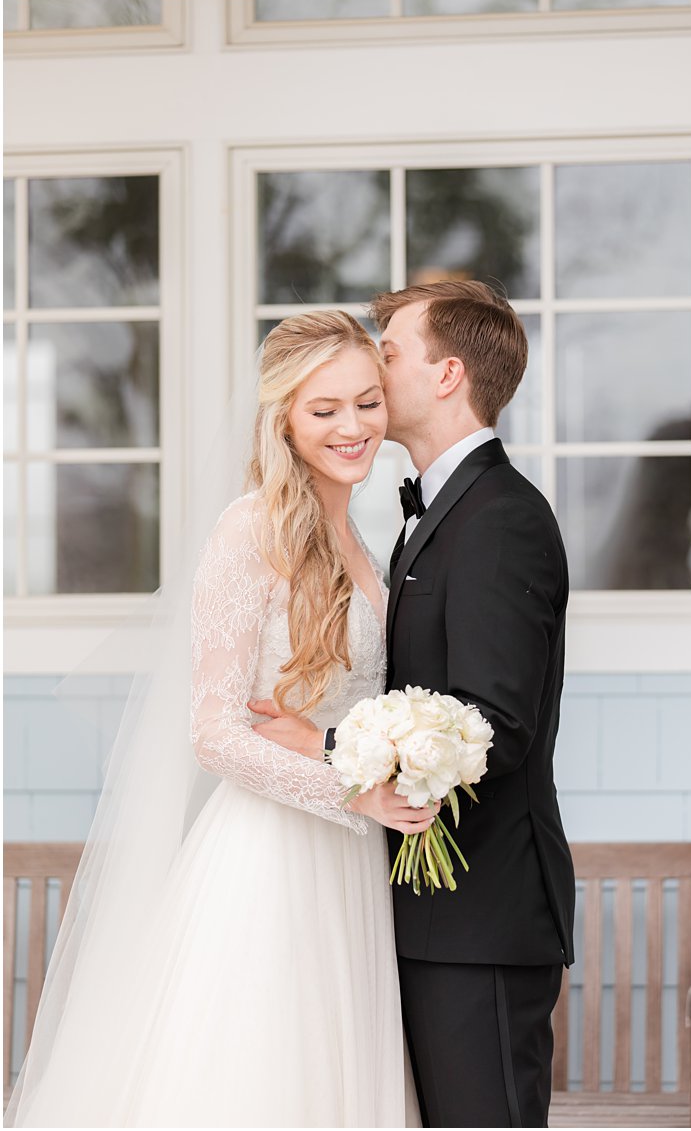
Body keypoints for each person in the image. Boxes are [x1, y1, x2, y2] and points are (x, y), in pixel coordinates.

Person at [7, 311, 428, 1126]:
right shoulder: (251, 528)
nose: (353, 426)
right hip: (269, 859)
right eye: (324, 408)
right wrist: (354, 789)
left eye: (367, 402)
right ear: (283, 418)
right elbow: (213, 730)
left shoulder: (359, 537)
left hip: (351, 864)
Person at [259, 280, 575, 1128]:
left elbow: (493, 725)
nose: (373, 368)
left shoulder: (500, 516)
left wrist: (329, 746)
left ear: (446, 374)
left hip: (481, 914)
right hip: (421, 910)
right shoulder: (428, 514)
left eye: (388, 354)